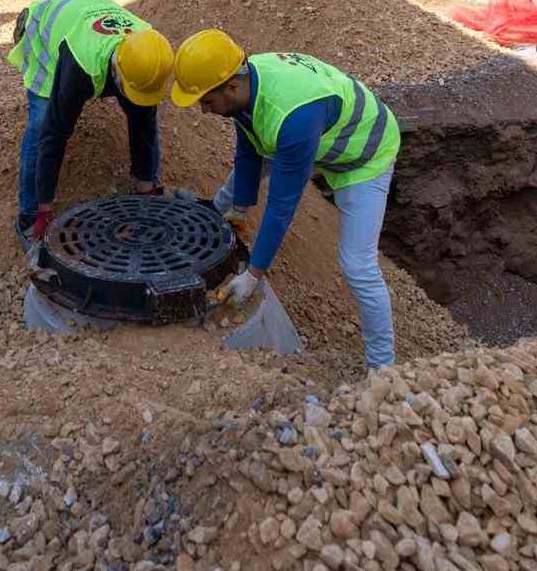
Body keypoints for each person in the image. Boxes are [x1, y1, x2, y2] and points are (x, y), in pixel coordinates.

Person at [171, 29, 401, 371]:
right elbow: (249, 149)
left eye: (206, 101)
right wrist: (239, 210)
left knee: (358, 265)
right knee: (257, 158)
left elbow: (281, 206)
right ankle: (218, 211)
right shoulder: (247, 84)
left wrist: (253, 274)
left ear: (231, 87)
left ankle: (383, 369)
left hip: (364, 153)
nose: (203, 111)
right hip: (315, 132)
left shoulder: (292, 118)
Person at [7, 0, 174, 252]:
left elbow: (144, 125)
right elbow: (54, 136)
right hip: (44, 28)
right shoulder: (80, 64)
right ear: (116, 72)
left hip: (86, 14)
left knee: (142, 114)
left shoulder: (149, 53)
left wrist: (146, 190)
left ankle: (145, 185)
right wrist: (44, 209)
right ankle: (28, 214)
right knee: (42, 123)